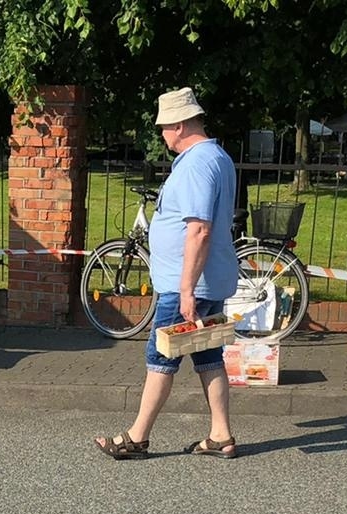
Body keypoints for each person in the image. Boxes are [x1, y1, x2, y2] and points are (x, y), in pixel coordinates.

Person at [95, 87, 239, 461]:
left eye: (163, 128)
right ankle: (221, 435)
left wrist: (187, 289)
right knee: (209, 355)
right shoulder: (217, 157)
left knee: (161, 357)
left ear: (178, 124)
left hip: (187, 283)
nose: (162, 135)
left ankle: (136, 437)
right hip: (206, 279)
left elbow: (199, 229)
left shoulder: (196, 163)